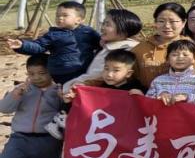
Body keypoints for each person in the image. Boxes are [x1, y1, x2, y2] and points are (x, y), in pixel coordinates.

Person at [54, 9, 144, 139]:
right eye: (103, 23)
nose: (103, 27)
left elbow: (97, 76)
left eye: (108, 24)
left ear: (123, 31)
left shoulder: (127, 50)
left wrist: (70, 86)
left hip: (102, 101)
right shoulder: (109, 46)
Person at [0, 54, 62, 158]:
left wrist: (63, 98)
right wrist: (16, 94)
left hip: (48, 140)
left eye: (41, 73)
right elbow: (4, 108)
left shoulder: (59, 90)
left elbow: (67, 112)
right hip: (20, 138)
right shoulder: (23, 89)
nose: (36, 78)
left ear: (51, 71)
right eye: (31, 74)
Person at [7, 0, 100, 85]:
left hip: (84, 69)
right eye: (57, 15)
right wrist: (22, 45)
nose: (60, 18)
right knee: (65, 92)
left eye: (65, 15)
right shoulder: (53, 35)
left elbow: (100, 43)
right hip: (62, 73)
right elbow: (39, 46)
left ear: (78, 20)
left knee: (82, 90)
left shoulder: (88, 32)